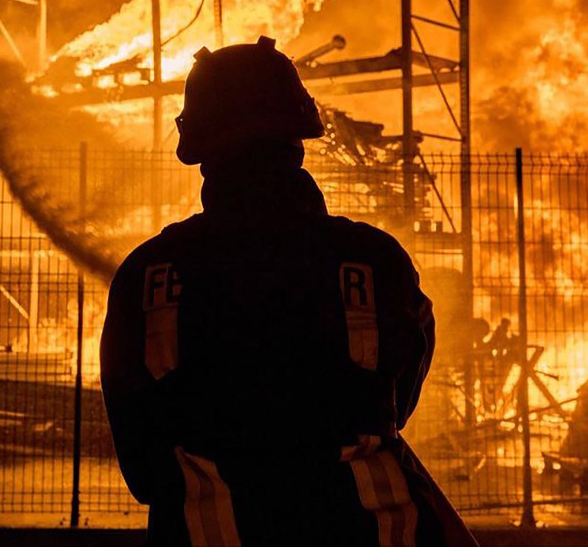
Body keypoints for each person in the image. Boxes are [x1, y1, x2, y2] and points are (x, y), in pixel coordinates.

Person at [100, 37, 476, 546]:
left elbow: (142, 468)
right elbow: (395, 405)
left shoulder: (147, 277)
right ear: (299, 138)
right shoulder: (375, 262)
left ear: (200, 151)